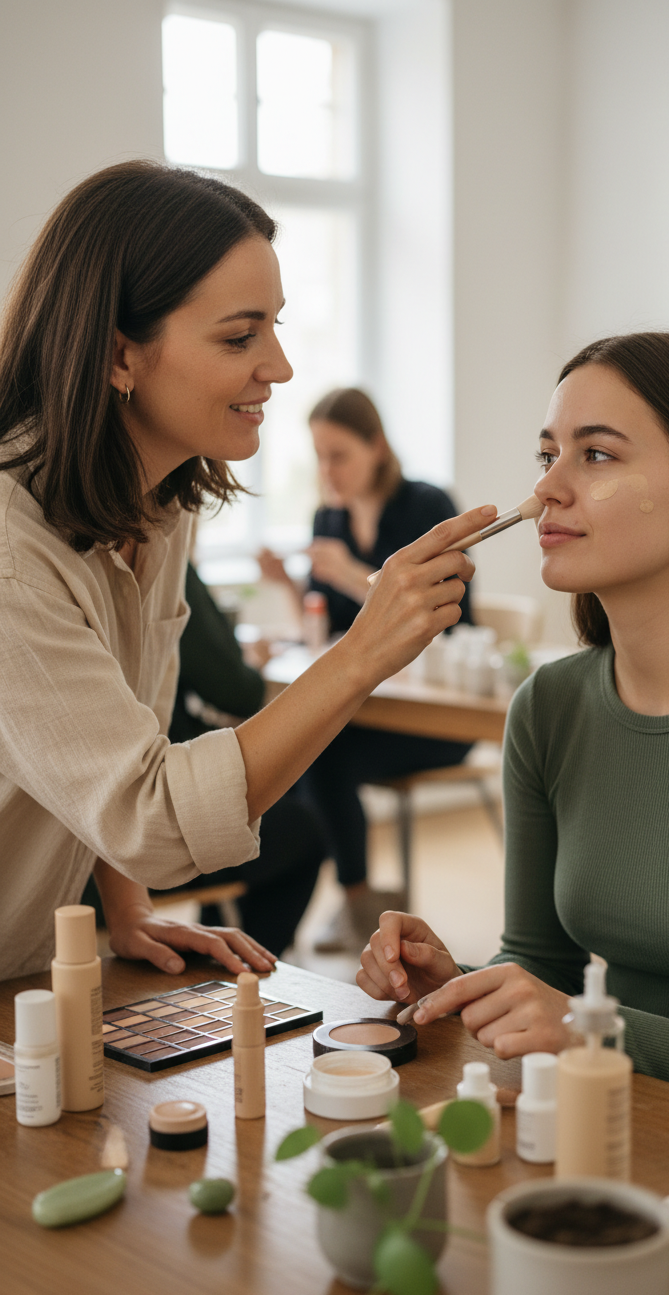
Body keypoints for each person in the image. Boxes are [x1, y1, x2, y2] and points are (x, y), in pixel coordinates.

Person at [0, 160, 491, 982]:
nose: (281, 366)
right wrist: (362, 650)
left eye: (276, 326)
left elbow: (122, 743)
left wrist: (127, 907)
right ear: (120, 355)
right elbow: (151, 814)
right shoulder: (13, 556)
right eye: (240, 336)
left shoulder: (159, 507)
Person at [358, 331, 669, 1111]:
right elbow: (540, 962)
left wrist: (584, 1029)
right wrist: (461, 982)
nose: (546, 488)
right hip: (602, 1118)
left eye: (597, 455)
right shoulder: (548, 707)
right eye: (548, 455)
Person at [259, 388, 474, 955]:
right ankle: (344, 901)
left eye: (339, 456)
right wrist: (288, 585)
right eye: (319, 457)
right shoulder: (328, 518)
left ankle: (356, 902)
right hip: (369, 711)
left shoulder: (425, 507)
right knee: (307, 747)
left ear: (376, 446)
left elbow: (446, 616)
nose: (327, 471)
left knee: (322, 754)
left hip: (436, 718)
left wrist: (353, 573)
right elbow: (328, 627)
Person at [157, 562, 327, 956]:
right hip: (149, 825)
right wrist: (252, 665)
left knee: (303, 782)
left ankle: (218, 936)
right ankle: (244, 967)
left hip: (110, 824)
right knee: (303, 831)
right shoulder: (170, 566)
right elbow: (238, 690)